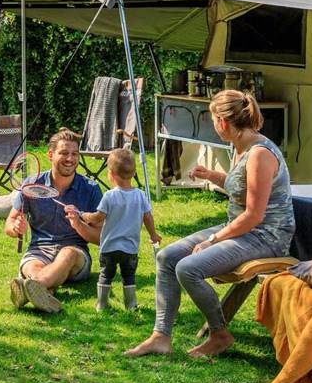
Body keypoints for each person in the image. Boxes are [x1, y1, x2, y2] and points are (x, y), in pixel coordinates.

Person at [125, 89, 295, 358]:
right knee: (167, 257)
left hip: (266, 238)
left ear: (223, 123)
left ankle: (219, 334)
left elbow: (254, 215)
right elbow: (241, 185)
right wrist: (214, 176)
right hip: (243, 228)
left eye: (213, 120)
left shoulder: (260, 154)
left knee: (188, 267)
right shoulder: (241, 146)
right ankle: (161, 336)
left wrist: (213, 240)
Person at [5, 128, 103, 313]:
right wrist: (15, 227)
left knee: (67, 254)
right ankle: (44, 292)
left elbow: (101, 237)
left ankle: (29, 289)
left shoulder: (90, 189)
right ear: (50, 155)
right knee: (33, 266)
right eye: (64, 153)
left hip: (76, 254)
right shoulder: (31, 185)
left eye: (74, 154)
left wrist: (79, 225)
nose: (70, 159)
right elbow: (9, 223)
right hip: (38, 250)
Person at [75, 148, 160, 312]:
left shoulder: (109, 196)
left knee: (106, 275)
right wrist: (153, 235)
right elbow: (148, 217)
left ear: (111, 174)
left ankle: (102, 303)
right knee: (129, 276)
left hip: (109, 247)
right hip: (130, 248)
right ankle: (131, 304)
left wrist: (84, 216)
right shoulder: (140, 195)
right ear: (134, 173)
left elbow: (98, 218)